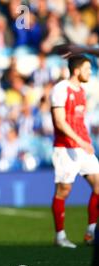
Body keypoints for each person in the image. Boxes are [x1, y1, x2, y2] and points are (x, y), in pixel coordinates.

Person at [50, 55, 98, 248]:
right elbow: (60, 122)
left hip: (83, 147)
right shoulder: (61, 89)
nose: (89, 72)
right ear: (77, 70)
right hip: (65, 148)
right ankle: (60, 236)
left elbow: (78, 121)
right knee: (64, 190)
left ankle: (91, 232)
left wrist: (86, 140)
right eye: (87, 69)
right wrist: (79, 141)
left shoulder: (82, 91)